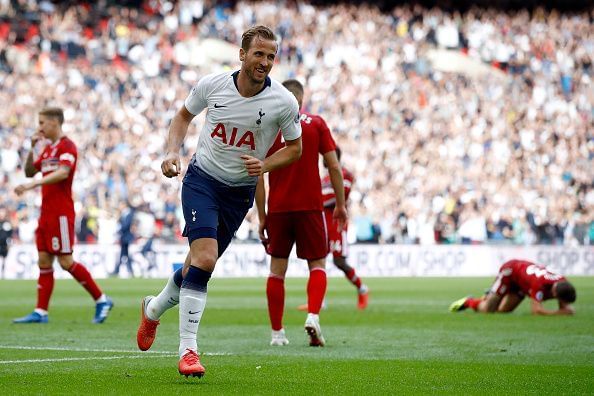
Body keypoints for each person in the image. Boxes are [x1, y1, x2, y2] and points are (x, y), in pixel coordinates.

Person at [135, 26, 302, 378]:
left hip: (238, 194)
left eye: (271, 57)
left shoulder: (283, 102)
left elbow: (295, 149)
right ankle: (188, 351)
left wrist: (265, 165)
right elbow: (182, 117)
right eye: (259, 54)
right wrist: (171, 152)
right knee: (206, 259)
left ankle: (151, 310)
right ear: (242, 55)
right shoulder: (212, 85)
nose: (265, 62)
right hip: (202, 181)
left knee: (196, 265)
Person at [256, 79, 347, 347]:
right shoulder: (316, 123)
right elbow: (334, 167)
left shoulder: (268, 127)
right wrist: (340, 205)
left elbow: (257, 176)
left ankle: (276, 333)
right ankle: (313, 315)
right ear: (301, 99)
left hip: (279, 209)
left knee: (276, 271)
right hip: (310, 207)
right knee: (318, 265)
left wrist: (262, 215)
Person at [12, 107, 113, 324]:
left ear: (54, 123)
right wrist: (32, 149)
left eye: (42, 123)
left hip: (61, 215)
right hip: (46, 214)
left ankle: (101, 299)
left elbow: (63, 172)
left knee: (66, 261)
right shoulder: (47, 149)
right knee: (43, 259)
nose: (39, 127)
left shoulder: (67, 146)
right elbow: (30, 170)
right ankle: (41, 311)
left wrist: (34, 184)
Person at [297, 147, 369, 311]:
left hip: (337, 224)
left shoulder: (345, 174)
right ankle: (318, 302)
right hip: (321, 223)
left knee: (339, 262)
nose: (322, 159)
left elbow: (339, 197)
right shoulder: (324, 178)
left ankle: (362, 289)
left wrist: (317, 202)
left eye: (324, 155)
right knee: (317, 260)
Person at [449, 259, 576, 315]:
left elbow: (564, 305)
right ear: (554, 293)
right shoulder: (540, 284)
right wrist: (558, 313)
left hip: (522, 284)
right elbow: (536, 311)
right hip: (510, 272)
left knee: (503, 311)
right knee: (488, 310)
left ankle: (490, 295)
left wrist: (564, 310)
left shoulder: (562, 283)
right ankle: (470, 301)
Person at [111, 201, 136, 277]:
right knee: (124, 255)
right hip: (124, 237)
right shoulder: (124, 213)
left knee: (125, 255)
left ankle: (119, 270)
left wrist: (118, 230)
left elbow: (126, 225)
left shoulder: (129, 213)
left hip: (127, 237)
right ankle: (126, 270)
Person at [0, 207, 13, 279]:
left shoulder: (7, 223)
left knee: (4, 259)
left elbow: (9, 235)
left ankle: (3, 274)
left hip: (4, 245)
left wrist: (9, 244)